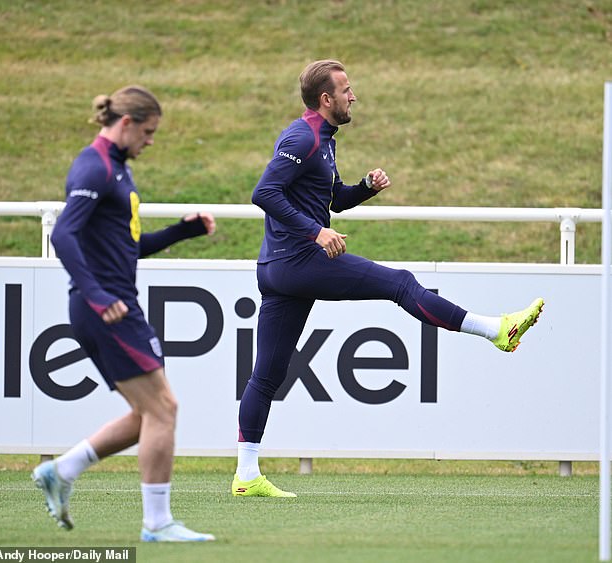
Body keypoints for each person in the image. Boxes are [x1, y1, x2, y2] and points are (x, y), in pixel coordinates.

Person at [232, 60, 544, 498]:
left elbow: (332, 199)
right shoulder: (302, 136)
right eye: (346, 89)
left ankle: (246, 476)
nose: (353, 96)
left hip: (280, 268)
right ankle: (495, 329)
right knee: (400, 283)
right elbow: (263, 193)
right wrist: (316, 231)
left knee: (267, 374)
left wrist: (364, 188)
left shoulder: (323, 141)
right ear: (326, 99)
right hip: (297, 261)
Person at [31, 85, 216, 542]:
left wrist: (181, 232)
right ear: (127, 123)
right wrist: (96, 295)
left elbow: (127, 247)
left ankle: (61, 470)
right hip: (106, 307)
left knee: (148, 413)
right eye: (148, 131)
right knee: (164, 408)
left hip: (113, 302)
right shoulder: (94, 167)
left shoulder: (116, 169)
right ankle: (157, 524)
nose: (150, 141)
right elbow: (64, 236)